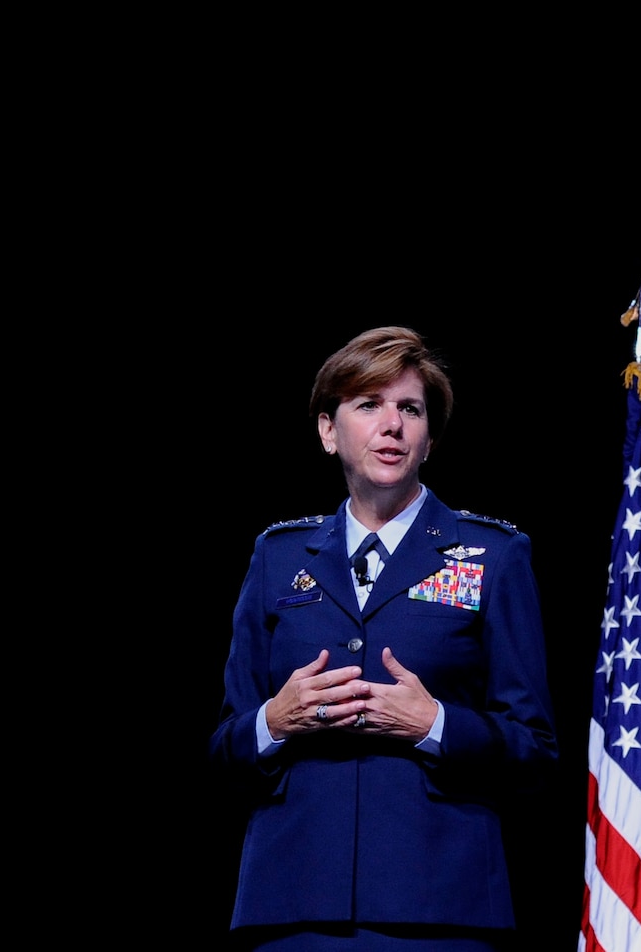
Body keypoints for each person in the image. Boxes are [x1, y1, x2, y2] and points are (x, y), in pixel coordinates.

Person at [210, 326, 556, 949]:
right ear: (327, 431)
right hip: (290, 911)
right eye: (368, 404)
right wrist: (274, 721)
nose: (391, 425)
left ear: (429, 439)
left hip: (441, 913)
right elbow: (223, 752)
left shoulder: (496, 556)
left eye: (410, 409)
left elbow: (534, 753)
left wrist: (435, 725)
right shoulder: (275, 555)